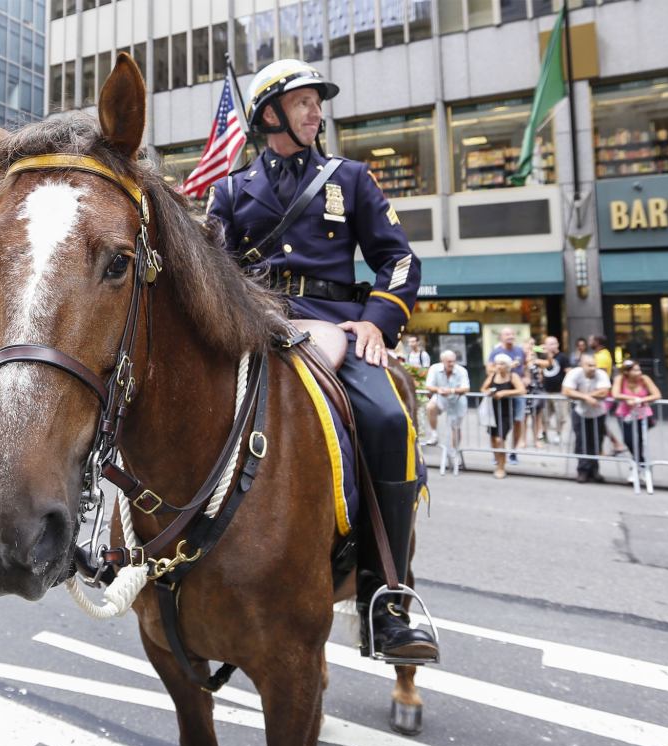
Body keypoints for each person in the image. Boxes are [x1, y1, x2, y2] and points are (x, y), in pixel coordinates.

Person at [207, 59, 436, 661]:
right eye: (305, 101)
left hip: (338, 329)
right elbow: (209, 272)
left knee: (390, 421)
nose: (317, 112)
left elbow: (400, 261)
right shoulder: (229, 191)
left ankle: (385, 599)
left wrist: (375, 321)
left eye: (316, 102)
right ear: (270, 113)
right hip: (254, 327)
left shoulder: (351, 178)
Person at [563, 354, 612, 483]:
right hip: (580, 412)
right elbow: (567, 391)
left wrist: (583, 395)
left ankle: (594, 470)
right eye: (589, 365)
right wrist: (587, 398)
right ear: (582, 365)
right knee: (581, 441)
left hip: (598, 413)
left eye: (594, 365)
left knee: (596, 441)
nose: (593, 368)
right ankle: (582, 470)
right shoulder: (574, 373)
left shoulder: (601, 374)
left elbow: (604, 392)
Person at [612, 359, 661, 481]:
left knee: (638, 441)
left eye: (639, 369)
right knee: (628, 440)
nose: (639, 372)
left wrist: (641, 400)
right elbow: (615, 394)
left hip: (641, 414)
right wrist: (630, 397)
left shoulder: (644, 379)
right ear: (627, 372)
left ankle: (637, 468)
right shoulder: (620, 379)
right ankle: (641, 465)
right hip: (624, 414)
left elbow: (657, 395)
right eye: (635, 370)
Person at [480, 353, 526, 479]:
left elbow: (522, 390)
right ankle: (497, 461)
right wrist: (488, 392)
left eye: (501, 364)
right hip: (492, 411)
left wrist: (505, 392)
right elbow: (483, 388)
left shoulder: (513, 376)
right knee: (493, 438)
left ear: (507, 366)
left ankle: (501, 467)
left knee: (501, 438)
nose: (498, 366)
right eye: (497, 364)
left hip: (506, 412)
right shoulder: (493, 375)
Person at [487, 328, 525, 463]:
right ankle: (498, 453)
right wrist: (504, 367)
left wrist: (527, 378)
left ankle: (513, 452)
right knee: (498, 424)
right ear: (501, 337)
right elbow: (489, 369)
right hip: (501, 391)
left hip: (517, 392)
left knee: (518, 421)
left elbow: (525, 367)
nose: (511, 336)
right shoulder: (496, 352)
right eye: (507, 334)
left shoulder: (519, 350)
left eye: (512, 334)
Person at [423, 350, 469, 455]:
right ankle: (434, 434)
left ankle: (455, 452)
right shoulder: (434, 368)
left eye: (453, 361)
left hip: (458, 400)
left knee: (455, 427)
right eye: (449, 361)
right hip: (441, 397)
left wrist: (451, 391)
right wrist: (438, 390)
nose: (452, 364)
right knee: (430, 407)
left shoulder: (461, 370)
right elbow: (428, 386)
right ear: (442, 361)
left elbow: (466, 388)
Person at [537, 335, 570, 444]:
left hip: (559, 392)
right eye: (548, 344)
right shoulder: (543, 357)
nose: (551, 346)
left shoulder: (563, 357)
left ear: (557, 344)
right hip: (546, 391)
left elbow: (568, 372)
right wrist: (540, 348)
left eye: (553, 343)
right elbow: (530, 348)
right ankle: (545, 434)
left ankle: (558, 434)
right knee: (544, 416)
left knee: (561, 416)